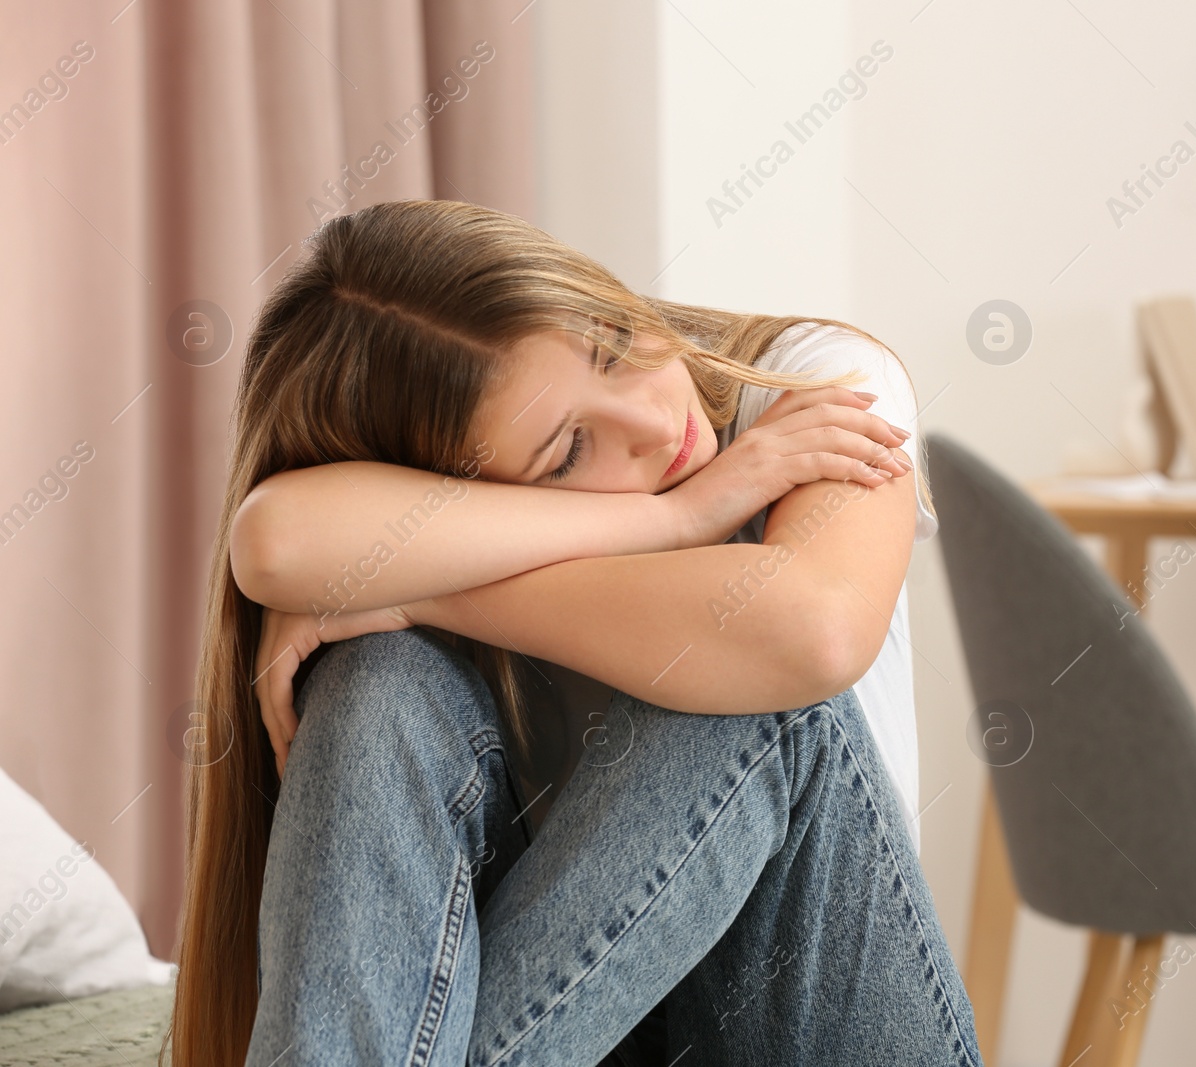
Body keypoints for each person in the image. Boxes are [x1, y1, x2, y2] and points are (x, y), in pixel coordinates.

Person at [165, 199, 981, 1066]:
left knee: (744, 672)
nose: (656, 425)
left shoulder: (810, 382)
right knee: (376, 675)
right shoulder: (458, 547)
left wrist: (432, 593)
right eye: (567, 454)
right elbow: (275, 541)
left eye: (618, 346)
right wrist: (678, 519)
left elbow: (815, 633)